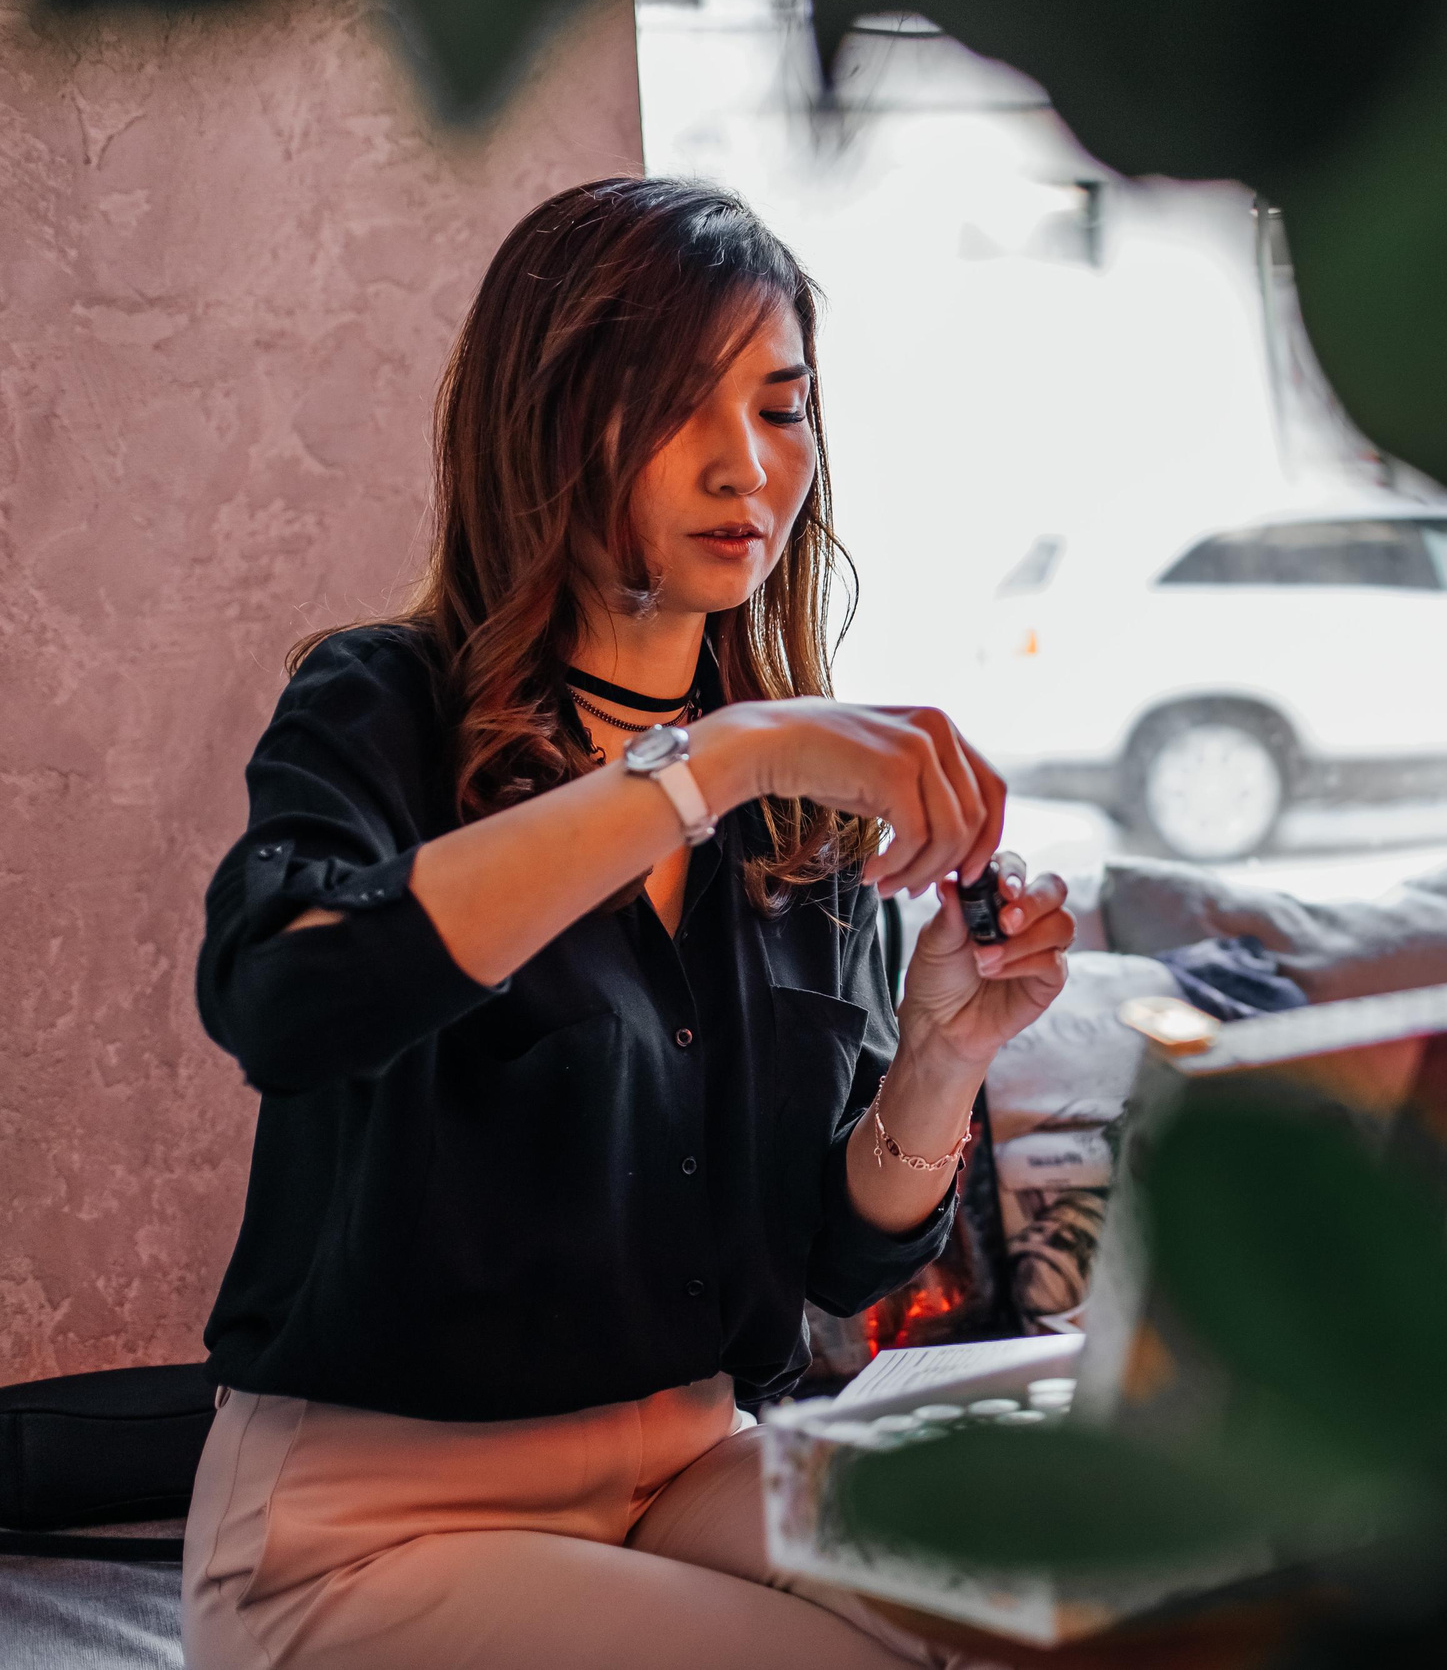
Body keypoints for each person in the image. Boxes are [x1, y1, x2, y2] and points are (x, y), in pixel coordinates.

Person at [181, 177, 1068, 1669]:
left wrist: (940, 1056)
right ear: (553, 423)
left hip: (689, 1461)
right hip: (372, 1529)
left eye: (781, 410)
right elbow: (281, 999)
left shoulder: (796, 805)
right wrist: (711, 763)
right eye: (678, 407)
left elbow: (835, 1266)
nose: (748, 468)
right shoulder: (387, 705)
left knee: (1082, 1595)